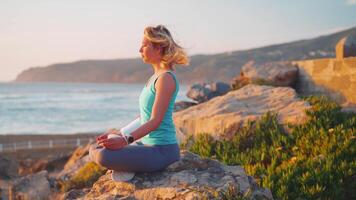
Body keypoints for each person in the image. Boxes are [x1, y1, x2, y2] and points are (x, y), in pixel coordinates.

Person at [88, 25, 189, 181]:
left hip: (163, 151)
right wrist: (121, 134)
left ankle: (130, 166)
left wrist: (125, 140)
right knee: (96, 147)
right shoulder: (155, 77)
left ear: (158, 48)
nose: (139, 49)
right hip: (146, 145)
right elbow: (144, 116)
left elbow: (155, 120)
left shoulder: (166, 79)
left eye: (144, 45)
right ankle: (130, 165)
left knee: (102, 155)